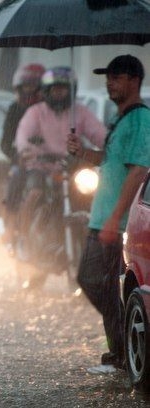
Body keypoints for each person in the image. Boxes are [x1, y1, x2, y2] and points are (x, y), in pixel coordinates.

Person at [68, 55, 150, 374]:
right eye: (108, 77)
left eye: (115, 77)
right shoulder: (121, 119)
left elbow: (136, 171)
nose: (109, 83)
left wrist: (116, 219)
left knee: (101, 283)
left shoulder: (141, 120)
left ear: (133, 81)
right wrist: (82, 152)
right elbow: (110, 161)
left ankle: (121, 354)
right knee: (96, 282)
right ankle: (119, 350)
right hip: (102, 218)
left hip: (114, 222)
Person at [15, 66, 106, 256]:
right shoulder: (35, 112)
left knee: (93, 196)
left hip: (73, 169)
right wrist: (27, 150)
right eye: (55, 89)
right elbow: (23, 136)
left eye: (63, 89)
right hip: (41, 167)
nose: (59, 93)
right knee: (34, 193)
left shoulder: (80, 112)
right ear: (46, 91)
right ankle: (23, 238)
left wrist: (110, 146)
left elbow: (100, 135)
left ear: (71, 90)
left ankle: (96, 246)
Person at [0, 63, 46, 250]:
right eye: (26, 87)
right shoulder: (14, 109)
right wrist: (18, 156)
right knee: (16, 178)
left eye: (34, 87)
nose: (30, 91)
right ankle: (10, 225)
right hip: (23, 162)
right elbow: (4, 144)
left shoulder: (48, 109)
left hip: (49, 162)